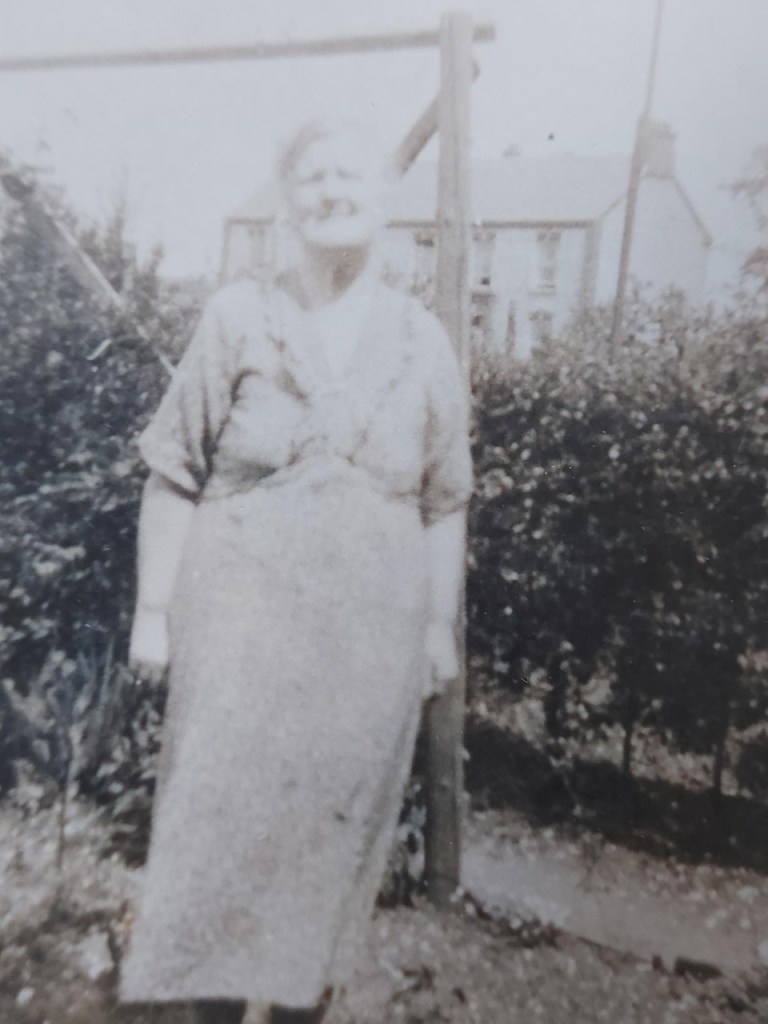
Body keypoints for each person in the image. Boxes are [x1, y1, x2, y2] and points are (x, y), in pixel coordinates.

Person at [119, 117, 472, 1024]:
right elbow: (173, 470)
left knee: (328, 844)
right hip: (237, 641)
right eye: (312, 177)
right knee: (218, 837)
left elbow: (444, 501)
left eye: (350, 173)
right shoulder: (239, 318)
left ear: (384, 197)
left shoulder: (424, 341)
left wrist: (437, 629)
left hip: (366, 652)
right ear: (286, 202)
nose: (332, 191)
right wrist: (153, 612)